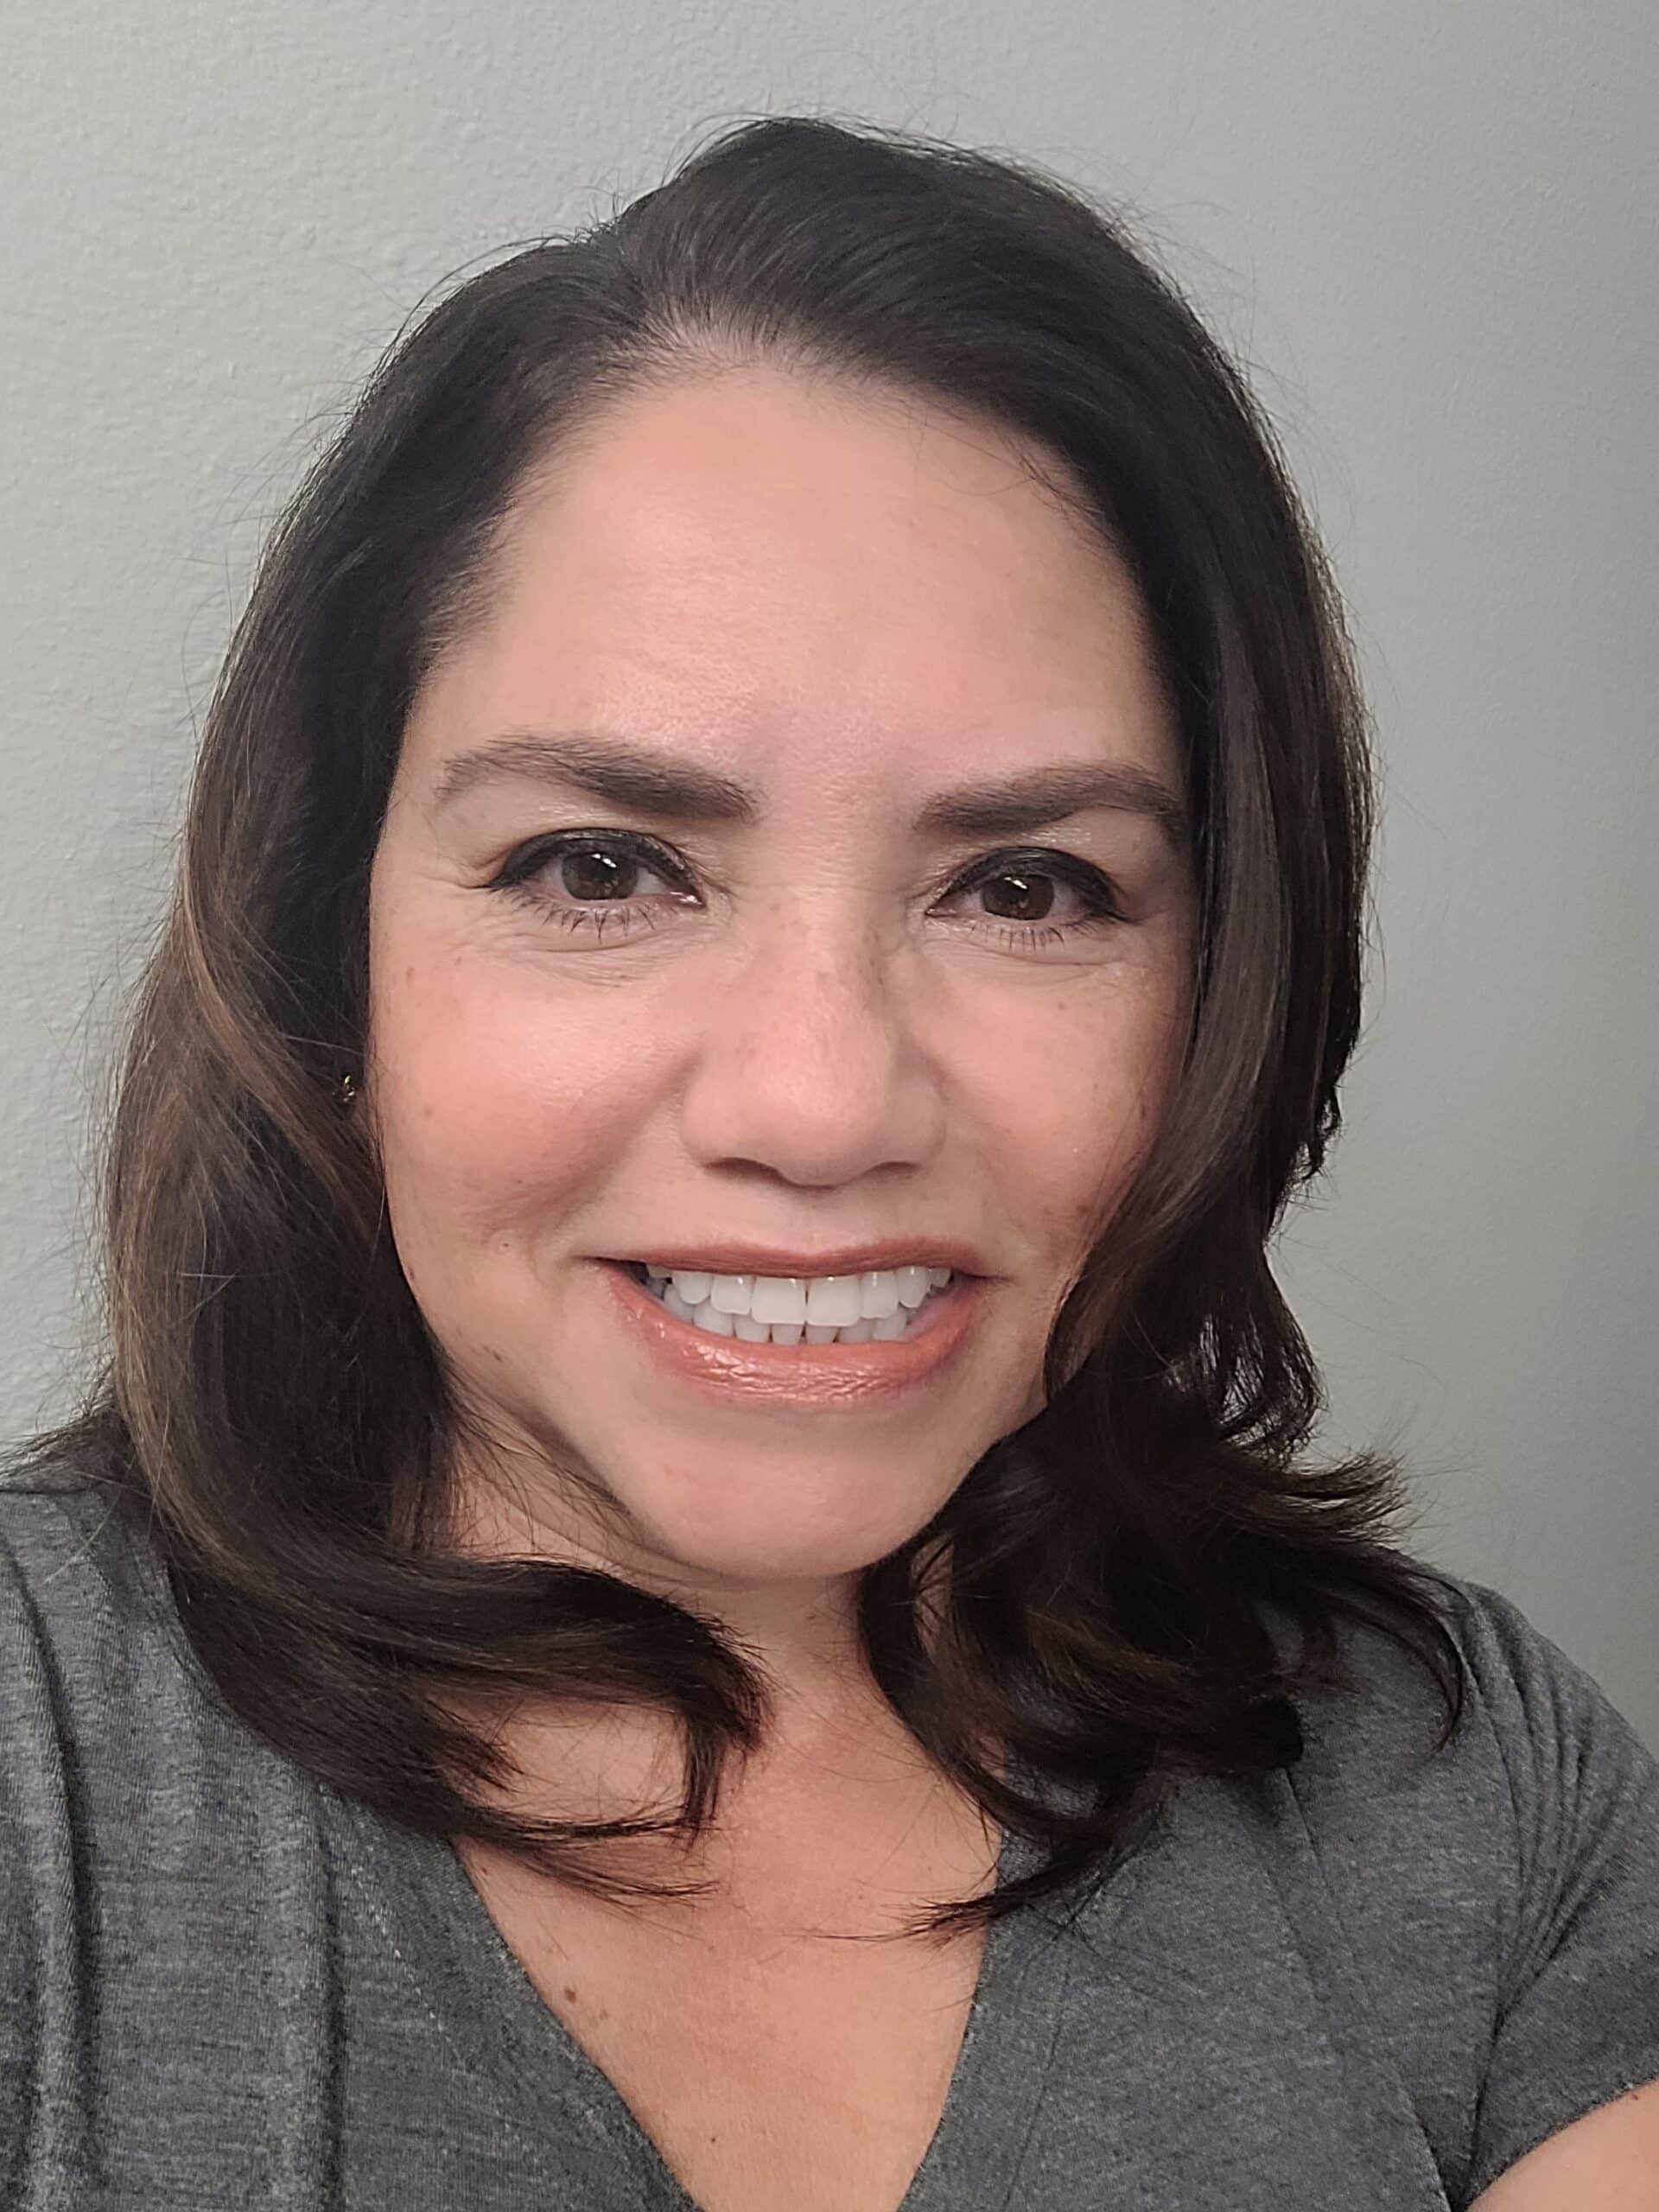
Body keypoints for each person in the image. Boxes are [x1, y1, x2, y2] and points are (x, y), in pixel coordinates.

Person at [2, 113, 1655, 2212]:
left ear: (1223, 982)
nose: (818, 1099)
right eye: (603, 864)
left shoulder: (1467, 1785)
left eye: (1031, 886)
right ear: (331, 954)